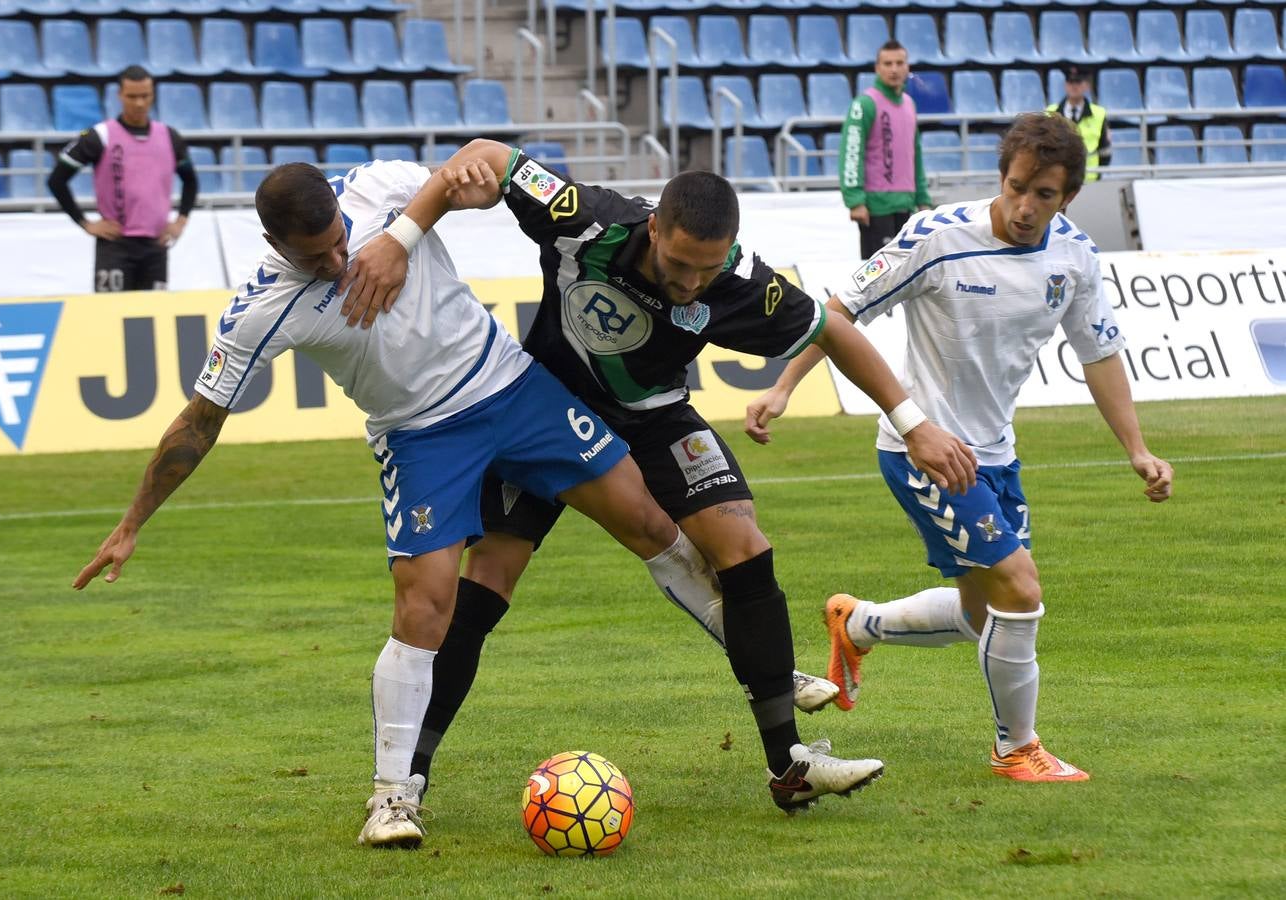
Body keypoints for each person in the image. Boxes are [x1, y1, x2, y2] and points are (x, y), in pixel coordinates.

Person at [72, 159, 749, 850]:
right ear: (277, 246)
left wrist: (403, 234)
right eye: (318, 257)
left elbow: (462, 173)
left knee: (647, 519)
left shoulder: (377, 186)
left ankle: (762, 662)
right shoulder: (261, 309)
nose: (340, 261)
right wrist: (130, 525)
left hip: (509, 385)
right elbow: (199, 422)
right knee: (425, 604)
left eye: (341, 241)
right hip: (422, 437)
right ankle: (392, 797)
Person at [338, 140, 978, 812]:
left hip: (656, 420)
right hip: (539, 415)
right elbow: (492, 156)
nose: (691, 282)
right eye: (678, 263)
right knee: (489, 577)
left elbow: (832, 331)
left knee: (744, 549)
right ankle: (408, 777)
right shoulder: (584, 218)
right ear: (653, 229)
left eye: (706, 268)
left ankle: (790, 766)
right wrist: (410, 231)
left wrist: (914, 424)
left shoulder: (739, 281)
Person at [745, 112, 1174, 783]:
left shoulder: (1075, 257)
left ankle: (858, 625)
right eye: (1016, 187)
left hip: (995, 456)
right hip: (924, 450)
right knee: (1021, 591)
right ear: (1000, 175)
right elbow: (835, 314)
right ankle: (1015, 749)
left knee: (985, 616)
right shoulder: (937, 235)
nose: (1026, 207)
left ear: (1069, 196)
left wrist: (1137, 449)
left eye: (1045, 195)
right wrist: (783, 388)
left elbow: (1100, 354)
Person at [47, 65, 198, 292]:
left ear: (153, 95)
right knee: (109, 319)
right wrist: (85, 223)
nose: (139, 103)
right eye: (132, 96)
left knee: (152, 319)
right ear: (119, 95)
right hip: (115, 246)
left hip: (156, 246)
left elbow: (191, 180)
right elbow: (57, 180)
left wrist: (181, 221)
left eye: (145, 96)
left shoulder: (169, 136)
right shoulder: (100, 135)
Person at [838, 40, 933, 261]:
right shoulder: (864, 104)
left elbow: (915, 154)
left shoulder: (909, 103)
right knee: (877, 278)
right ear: (877, 68)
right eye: (888, 63)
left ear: (907, 67)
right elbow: (851, 153)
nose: (894, 69)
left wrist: (923, 198)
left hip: (906, 206)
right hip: (875, 208)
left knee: (904, 275)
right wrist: (855, 200)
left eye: (900, 63)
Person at [1046, 65, 1111, 183]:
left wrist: (1097, 174)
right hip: (1059, 181)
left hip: (1089, 180)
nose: (1074, 86)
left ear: (1086, 85)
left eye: (1078, 82)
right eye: (1070, 82)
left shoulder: (1099, 113)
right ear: (1065, 85)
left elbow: (1105, 151)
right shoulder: (1051, 113)